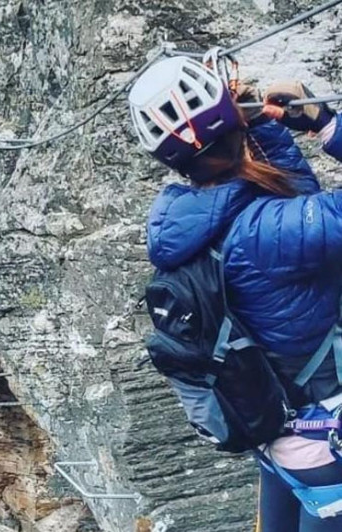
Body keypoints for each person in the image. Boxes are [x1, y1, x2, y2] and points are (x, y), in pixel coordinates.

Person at [129, 55, 342, 531]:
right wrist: (328, 126)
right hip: (325, 447)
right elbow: (296, 222)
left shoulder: (192, 221)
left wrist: (261, 129)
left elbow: (292, 205)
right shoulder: (269, 233)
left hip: (282, 437)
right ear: (230, 125)